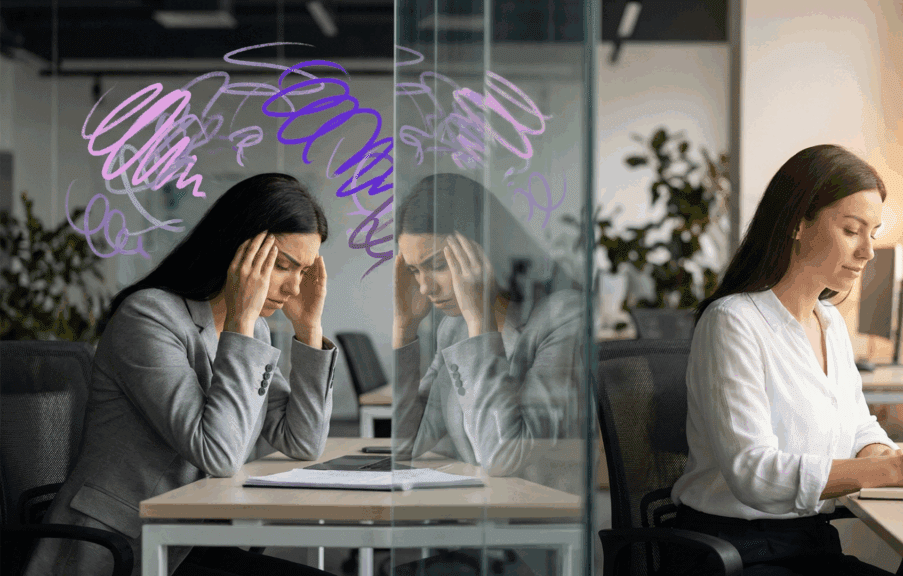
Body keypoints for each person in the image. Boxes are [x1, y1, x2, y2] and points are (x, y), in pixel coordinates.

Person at [670, 145, 903, 576]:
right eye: (852, 230)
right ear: (797, 224)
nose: (868, 251)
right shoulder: (732, 323)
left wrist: (882, 452)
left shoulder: (828, 322)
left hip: (810, 545)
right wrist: (895, 469)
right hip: (736, 554)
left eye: (873, 232)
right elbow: (753, 473)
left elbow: (858, 424)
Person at [25, 174, 339, 576]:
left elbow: (303, 441)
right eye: (282, 265)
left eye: (305, 271)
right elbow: (219, 454)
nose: (295, 287)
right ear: (237, 250)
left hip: (184, 541)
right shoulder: (149, 317)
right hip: (119, 547)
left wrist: (309, 330)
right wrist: (242, 322)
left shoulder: (250, 330)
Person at [391, 173, 583, 492]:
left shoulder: (564, 316)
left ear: (485, 249)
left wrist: (480, 322)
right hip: (478, 523)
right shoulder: (454, 328)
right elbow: (405, 444)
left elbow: (502, 456)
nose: (424, 287)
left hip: (540, 527)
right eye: (414, 271)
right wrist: (405, 328)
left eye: (438, 265)